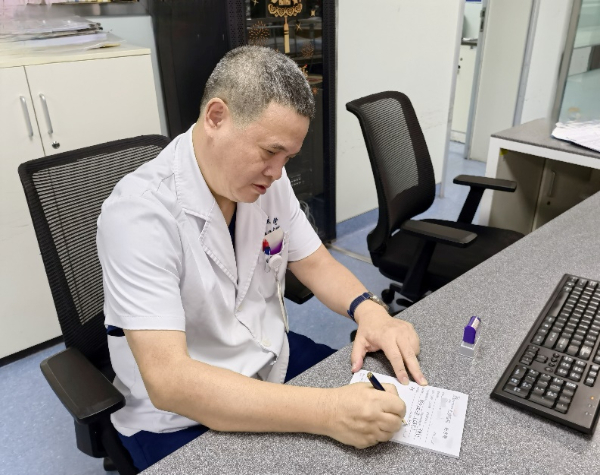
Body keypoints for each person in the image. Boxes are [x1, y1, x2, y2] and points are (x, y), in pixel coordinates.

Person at [96, 45, 427, 471]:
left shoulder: (267, 181)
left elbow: (315, 262)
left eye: (288, 157)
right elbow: (170, 382)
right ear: (216, 117)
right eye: (270, 152)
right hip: (181, 415)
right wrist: (327, 412)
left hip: (269, 359)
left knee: (388, 429)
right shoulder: (138, 214)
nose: (277, 172)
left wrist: (371, 311)